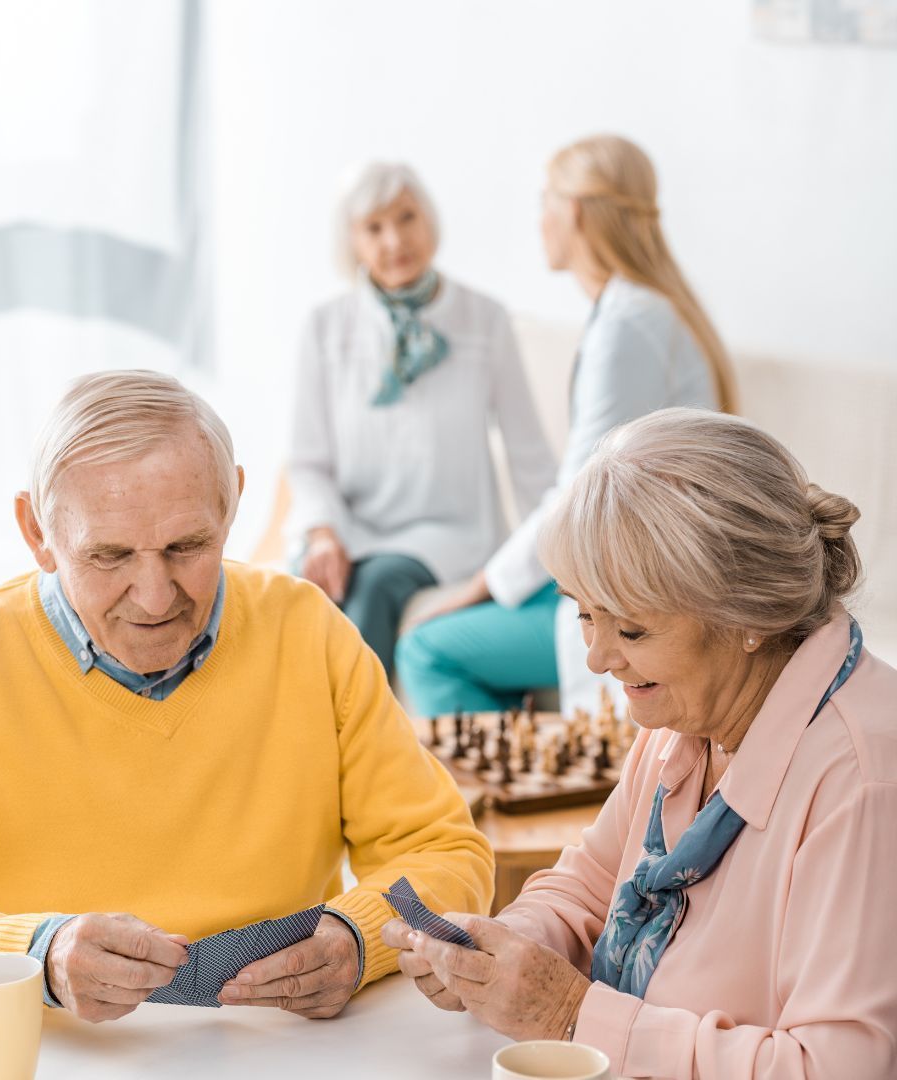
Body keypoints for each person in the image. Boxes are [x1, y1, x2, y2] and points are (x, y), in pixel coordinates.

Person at [0, 370, 493, 1024]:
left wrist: (357, 935)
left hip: (279, 1052)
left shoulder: (308, 632)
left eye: (186, 545)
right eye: (109, 556)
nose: (155, 594)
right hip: (56, 1058)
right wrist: (36, 956)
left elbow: (445, 854)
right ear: (37, 534)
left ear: (231, 503)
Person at [385, 408, 897, 1079]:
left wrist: (572, 1014)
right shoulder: (690, 715)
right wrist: (507, 950)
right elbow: (591, 885)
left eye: (630, 631)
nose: (597, 659)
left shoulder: (863, 779)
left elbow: (839, 1067)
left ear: (745, 616)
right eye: (583, 614)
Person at [396, 135, 738, 718]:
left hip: (642, 584)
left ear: (572, 211)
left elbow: (583, 491)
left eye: (544, 202)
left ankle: (486, 804)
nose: (540, 220)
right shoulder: (641, 310)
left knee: (426, 649)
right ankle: (531, 778)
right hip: (630, 567)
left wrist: (477, 588)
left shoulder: (628, 325)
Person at [287, 161, 557, 678]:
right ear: (353, 242)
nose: (394, 241)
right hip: (351, 529)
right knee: (295, 596)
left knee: (375, 587)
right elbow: (308, 464)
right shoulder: (325, 328)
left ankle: (361, 753)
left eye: (406, 218)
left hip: (449, 536)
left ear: (429, 220)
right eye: (374, 228)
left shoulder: (485, 321)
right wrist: (323, 534)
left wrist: (555, 560)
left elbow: (531, 464)